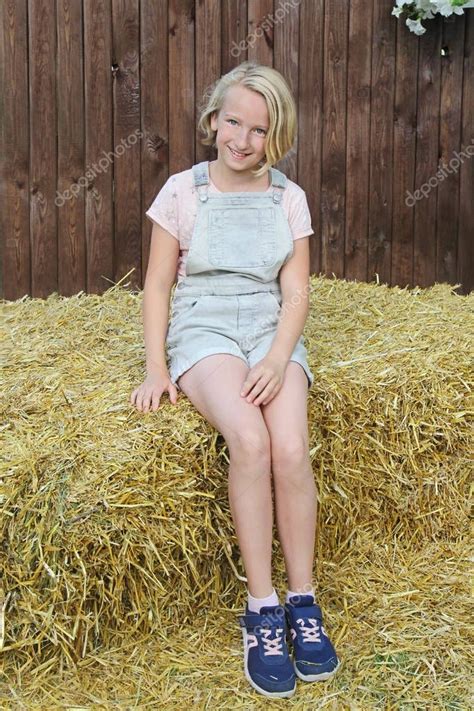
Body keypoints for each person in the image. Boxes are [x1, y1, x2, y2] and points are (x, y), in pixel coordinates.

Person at [131, 60, 340, 699]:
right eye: (233, 123)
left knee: (291, 448)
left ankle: (303, 601)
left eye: (258, 130)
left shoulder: (288, 197)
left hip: (271, 331)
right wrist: (156, 367)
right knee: (248, 440)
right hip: (206, 326)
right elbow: (159, 285)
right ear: (214, 119)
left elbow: (297, 291)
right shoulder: (183, 191)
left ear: (276, 137)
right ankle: (262, 609)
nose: (242, 141)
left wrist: (279, 358)